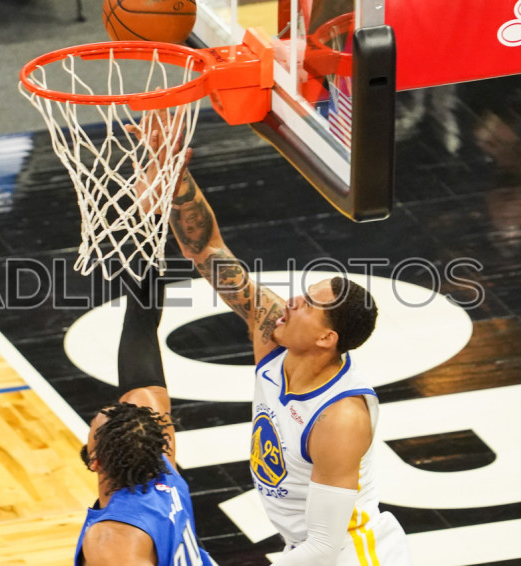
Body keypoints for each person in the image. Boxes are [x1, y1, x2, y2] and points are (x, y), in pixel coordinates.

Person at [134, 123, 411, 564]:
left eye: (309, 305)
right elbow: (208, 250)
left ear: (326, 338)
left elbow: (324, 548)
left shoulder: (340, 418)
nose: (292, 301)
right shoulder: (273, 328)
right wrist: (174, 175)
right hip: (305, 549)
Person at [75, 267, 216, 566]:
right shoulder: (162, 470)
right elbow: (141, 335)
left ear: (95, 460)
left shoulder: (113, 539)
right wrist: (147, 261)